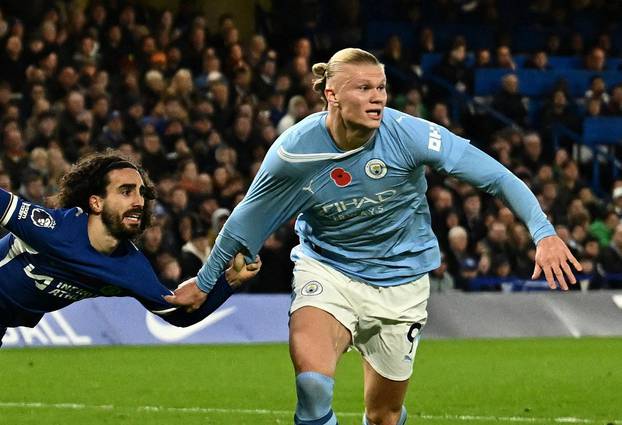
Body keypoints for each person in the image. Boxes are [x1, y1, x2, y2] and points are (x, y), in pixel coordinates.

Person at [166, 48, 581, 425]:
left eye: (381, 86)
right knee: (313, 389)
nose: (378, 97)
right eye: (363, 88)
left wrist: (543, 233)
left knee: (383, 415)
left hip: (402, 282)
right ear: (332, 95)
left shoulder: (409, 135)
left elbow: (496, 176)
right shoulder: (294, 153)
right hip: (329, 271)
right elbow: (245, 222)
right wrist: (205, 283)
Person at [0, 151, 260, 347]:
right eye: (126, 192)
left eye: (142, 193)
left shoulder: (130, 267)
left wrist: (230, 280)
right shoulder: (55, 229)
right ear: (96, 203)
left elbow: (179, 315)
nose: (138, 201)